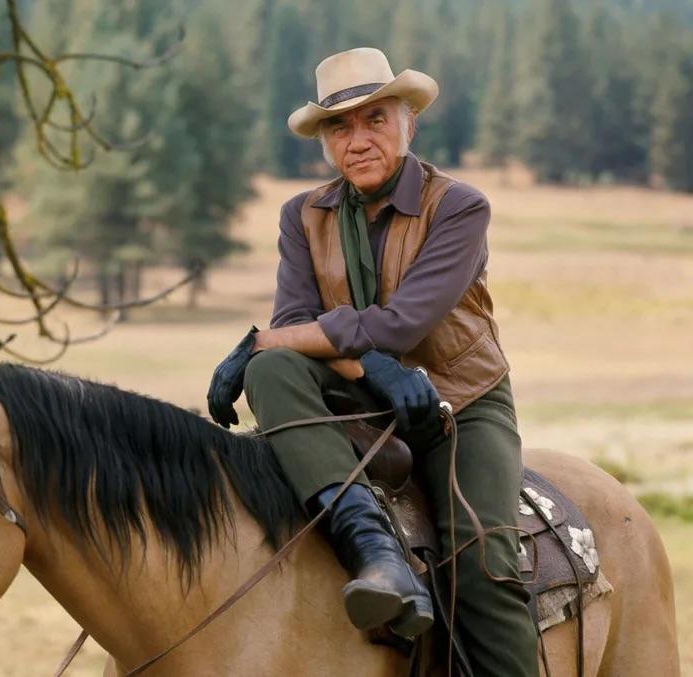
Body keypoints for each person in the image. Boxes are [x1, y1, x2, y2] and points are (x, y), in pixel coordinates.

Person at [207, 47, 538, 676]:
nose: (357, 140)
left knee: (483, 565)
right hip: (357, 387)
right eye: (339, 127)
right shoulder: (302, 215)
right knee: (272, 371)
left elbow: (402, 324)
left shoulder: (460, 207)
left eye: (375, 120)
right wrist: (316, 357)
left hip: (454, 400)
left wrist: (259, 341)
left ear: (409, 123)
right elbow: (294, 328)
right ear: (326, 141)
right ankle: (375, 551)